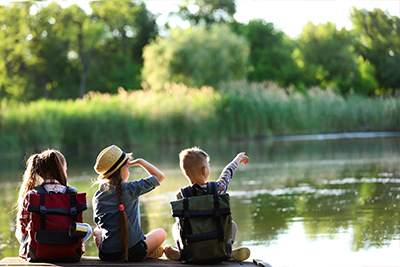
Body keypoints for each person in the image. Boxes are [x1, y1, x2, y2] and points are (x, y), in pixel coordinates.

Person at [164, 146, 251, 261]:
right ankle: (225, 250)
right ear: (205, 170)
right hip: (216, 241)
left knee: (176, 226)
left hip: (192, 246)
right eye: (209, 165)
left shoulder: (181, 195)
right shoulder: (218, 188)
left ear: (185, 174)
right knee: (232, 225)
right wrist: (238, 159)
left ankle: (183, 252)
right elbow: (227, 173)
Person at [92, 145, 167, 262]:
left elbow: (99, 223)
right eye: (128, 167)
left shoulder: (97, 196)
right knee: (161, 233)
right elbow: (159, 177)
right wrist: (140, 162)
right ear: (122, 169)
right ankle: (149, 252)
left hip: (107, 254)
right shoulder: (130, 188)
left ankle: (143, 251)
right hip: (134, 253)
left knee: (97, 231)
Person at [15, 149, 78, 257]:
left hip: (39, 246)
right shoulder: (72, 193)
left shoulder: (31, 195)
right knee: (88, 230)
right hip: (66, 242)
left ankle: (28, 250)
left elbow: (23, 228)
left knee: (18, 232)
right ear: (61, 170)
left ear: (40, 172)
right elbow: (77, 223)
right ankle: (70, 249)